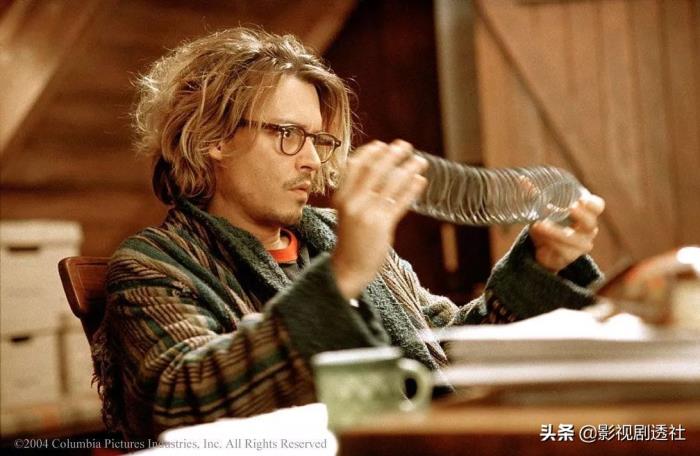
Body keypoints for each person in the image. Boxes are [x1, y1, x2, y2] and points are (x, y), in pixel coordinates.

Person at [95, 27, 605, 439]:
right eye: (287, 134)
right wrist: (341, 278)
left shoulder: (335, 235)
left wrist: (542, 267)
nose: (312, 161)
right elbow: (180, 402)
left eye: (318, 139)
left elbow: (443, 350)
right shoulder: (153, 265)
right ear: (213, 137)